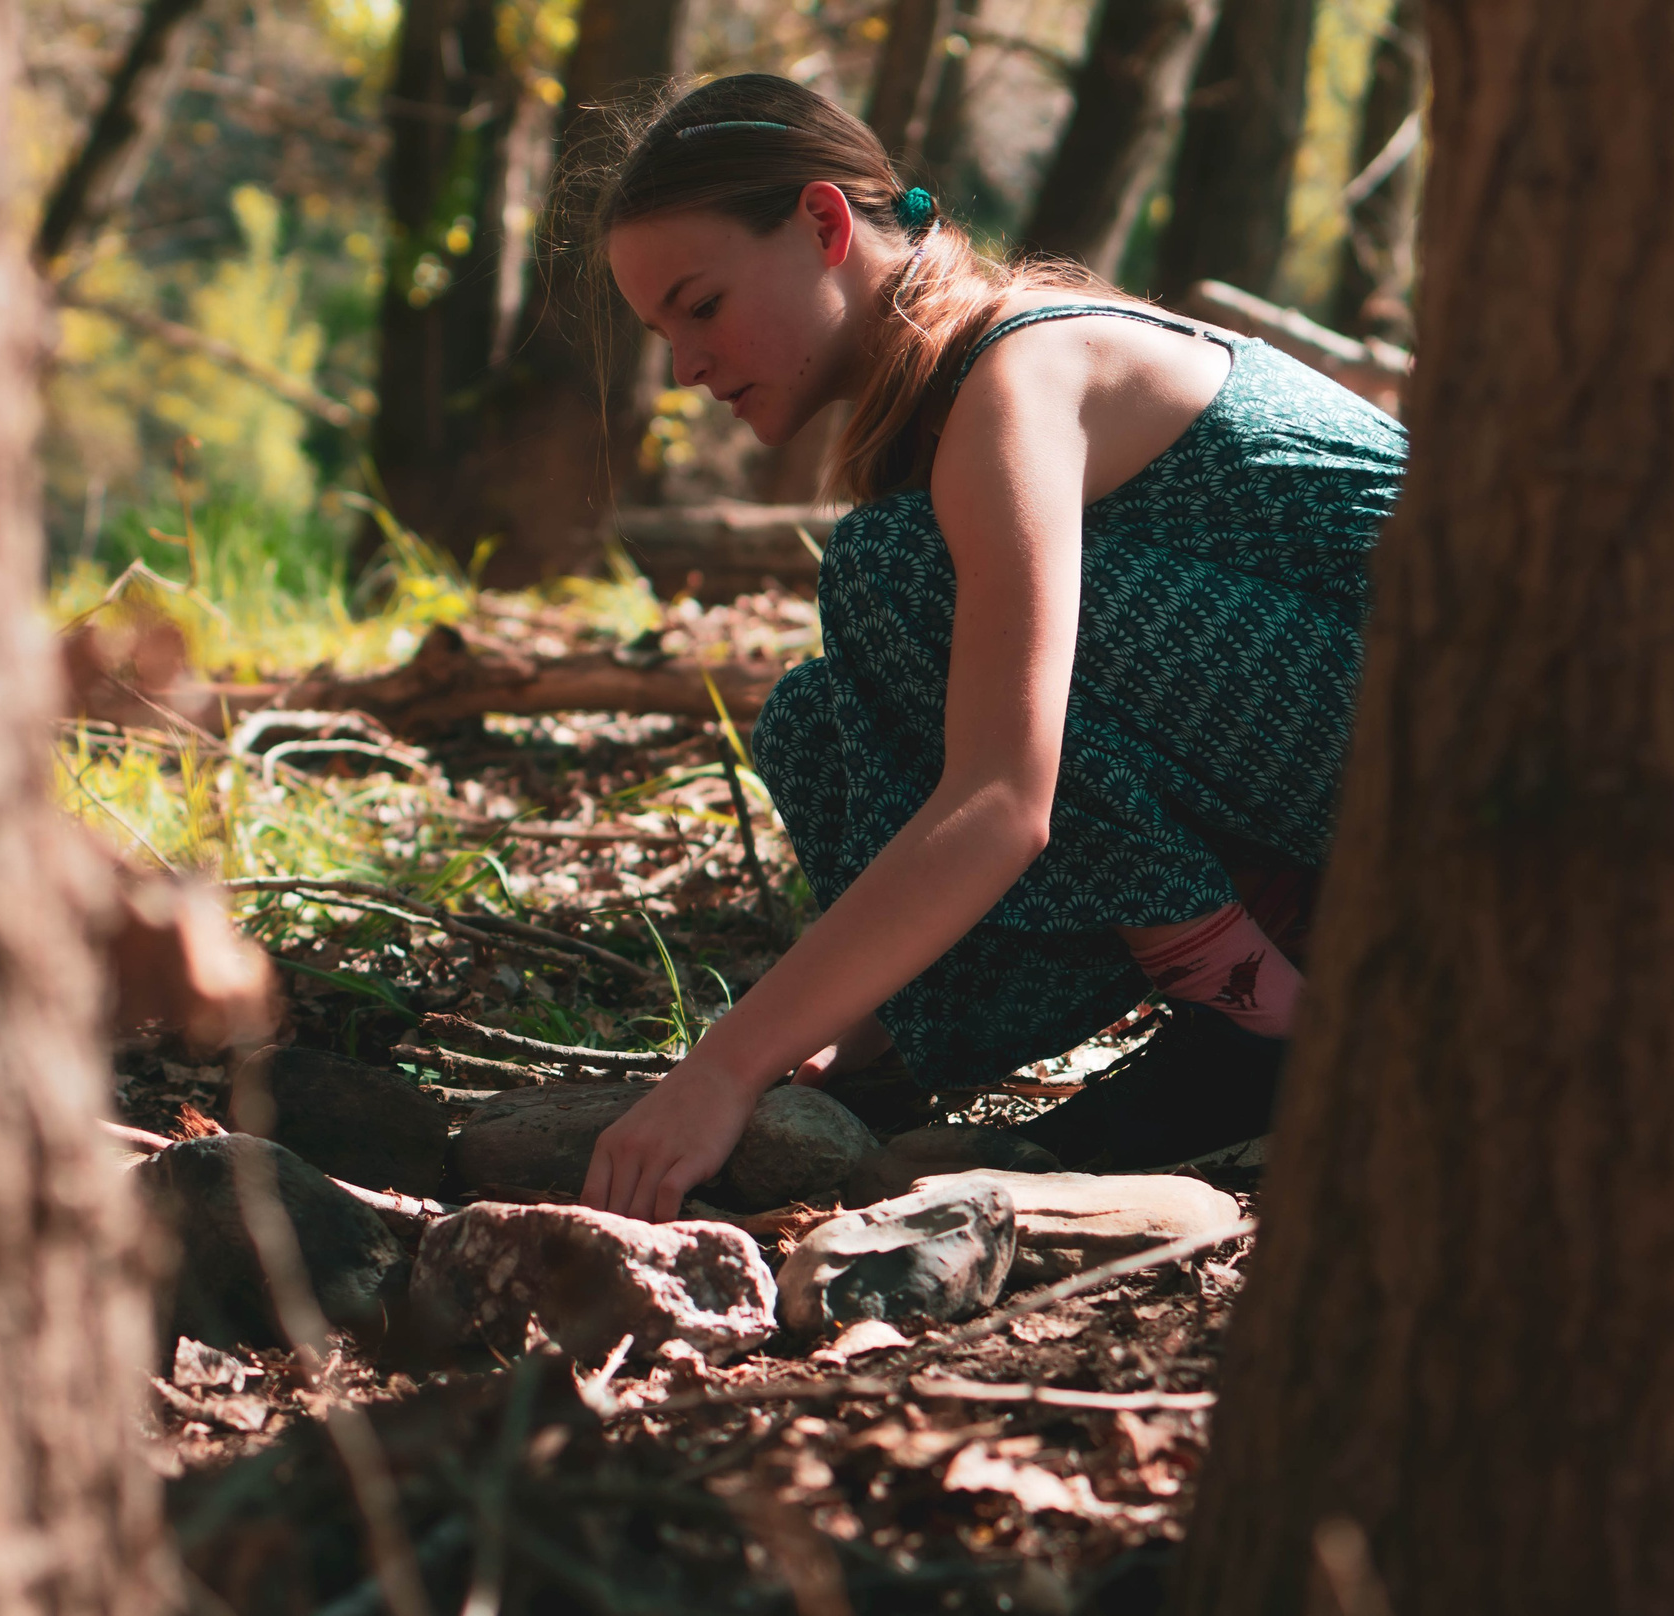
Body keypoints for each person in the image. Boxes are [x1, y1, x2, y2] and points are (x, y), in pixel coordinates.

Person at [577, 73, 1405, 1222]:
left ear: (825, 225)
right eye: (662, 331)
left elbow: (1007, 799)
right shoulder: (954, 403)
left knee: (896, 573)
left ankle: (1259, 1030)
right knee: (818, 724)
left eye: (700, 305)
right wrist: (826, 1037)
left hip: (1453, 749)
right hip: (1322, 761)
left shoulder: (1017, 379)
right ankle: (1232, 987)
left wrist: (721, 1066)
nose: (685, 366)